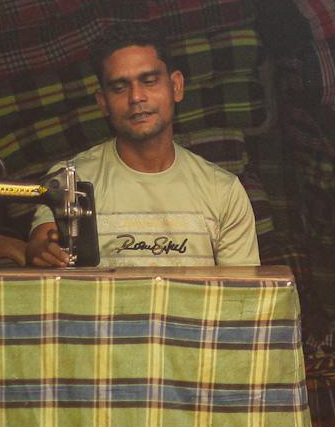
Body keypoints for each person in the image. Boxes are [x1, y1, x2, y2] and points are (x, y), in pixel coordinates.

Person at [25, 24, 259, 269]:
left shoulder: (223, 191)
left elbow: (240, 290)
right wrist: (41, 250)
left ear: (176, 86)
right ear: (103, 102)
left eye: (149, 81)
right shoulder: (70, 180)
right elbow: (44, 242)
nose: (136, 97)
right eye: (119, 87)